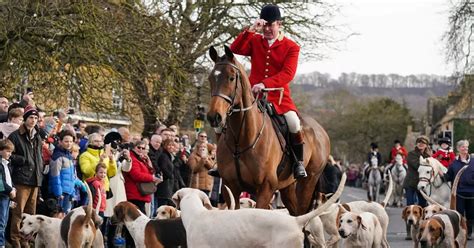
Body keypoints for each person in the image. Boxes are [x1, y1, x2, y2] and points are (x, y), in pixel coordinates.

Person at [211, 4, 306, 178]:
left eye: (271, 25)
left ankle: (298, 162)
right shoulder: (255, 40)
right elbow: (234, 50)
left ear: (279, 25)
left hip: (278, 97)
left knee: (293, 123)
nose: (268, 29)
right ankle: (221, 161)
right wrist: (251, 30)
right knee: (221, 122)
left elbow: (288, 73)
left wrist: (265, 83)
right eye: (265, 25)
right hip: (250, 96)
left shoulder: (291, 47)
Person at [7, 105, 44, 248]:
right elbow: (7, 155)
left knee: (31, 214)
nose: (33, 120)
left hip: (35, 179)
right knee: (18, 213)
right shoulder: (15, 136)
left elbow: (39, 157)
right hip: (21, 179)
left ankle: (25, 240)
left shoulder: (38, 136)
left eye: (36, 118)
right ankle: (15, 240)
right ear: (25, 119)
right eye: (31, 117)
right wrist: (22, 160)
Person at [403, 135, 431, 240]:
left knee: (423, 206)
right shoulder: (411, 154)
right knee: (409, 207)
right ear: (417, 144)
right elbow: (418, 166)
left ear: (426, 145)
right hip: (410, 183)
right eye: (419, 142)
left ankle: (421, 228)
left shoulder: (428, 155)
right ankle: (409, 231)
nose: (421, 144)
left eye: (423, 143)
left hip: (422, 185)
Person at [445, 140, 474, 240]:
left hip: (472, 193)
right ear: (458, 149)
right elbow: (449, 176)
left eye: (466, 147)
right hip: (459, 193)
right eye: (462, 147)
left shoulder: (473, 161)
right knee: (459, 213)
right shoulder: (454, 163)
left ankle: (469, 232)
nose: (465, 148)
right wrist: (441, 175)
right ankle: (461, 231)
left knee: (471, 213)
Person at [48, 130, 80, 214]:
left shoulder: (69, 156)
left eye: (71, 141)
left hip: (68, 192)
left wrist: (72, 192)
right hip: (60, 193)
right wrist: (58, 193)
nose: (69, 143)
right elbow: (55, 176)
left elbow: (72, 177)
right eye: (66, 141)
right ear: (60, 141)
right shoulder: (57, 156)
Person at [0, 139, 15, 248]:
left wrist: (13, 188)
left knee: (4, 222)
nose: (9, 154)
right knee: (1, 222)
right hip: (2, 196)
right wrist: (10, 190)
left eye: (11, 152)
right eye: (7, 151)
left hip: (7, 197)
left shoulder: (6, 164)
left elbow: (8, 179)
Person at [86, 163, 107, 233]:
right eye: (101, 172)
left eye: (104, 173)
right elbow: (93, 196)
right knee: (96, 228)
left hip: (102, 209)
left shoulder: (102, 182)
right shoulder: (95, 183)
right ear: (96, 172)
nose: (103, 174)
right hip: (96, 209)